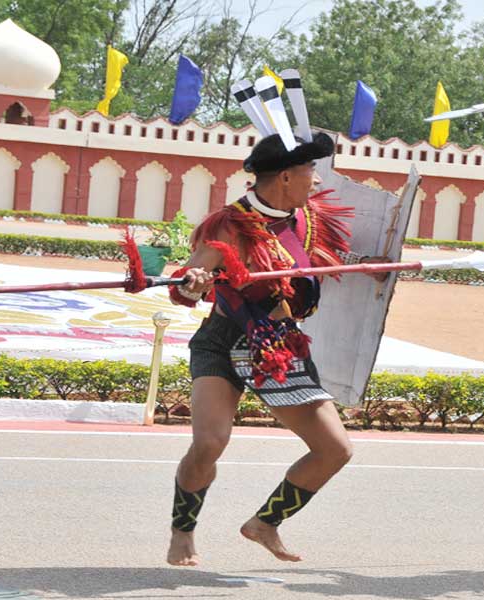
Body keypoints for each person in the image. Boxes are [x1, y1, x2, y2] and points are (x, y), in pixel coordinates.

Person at [165, 130, 362, 566]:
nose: (316, 179)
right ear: (287, 176)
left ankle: (264, 523)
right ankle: (183, 532)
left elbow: (323, 266)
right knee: (210, 443)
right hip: (222, 342)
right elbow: (183, 291)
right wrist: (193, 285)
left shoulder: (308, 218)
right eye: (311, 170)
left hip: (279, 346)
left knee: (335, 449)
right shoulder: (226, 225)